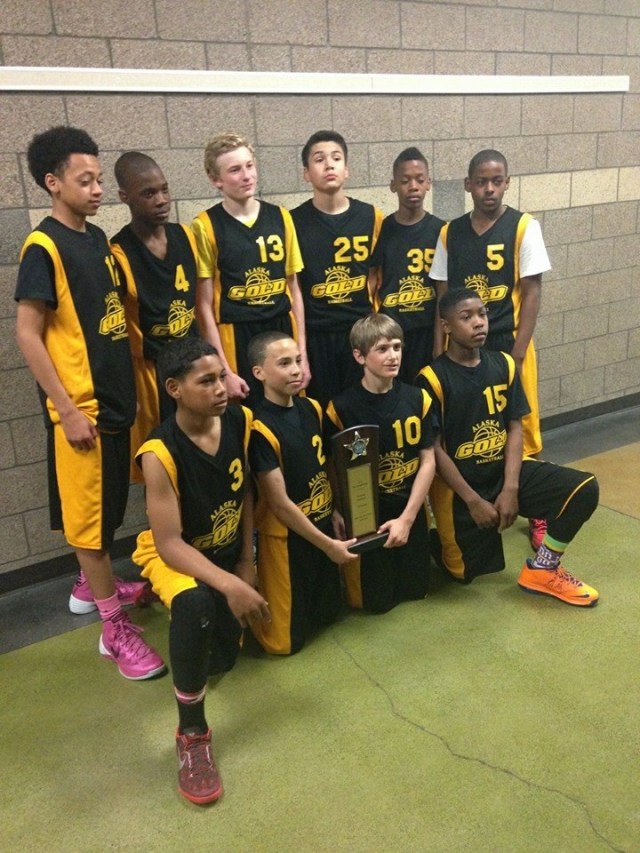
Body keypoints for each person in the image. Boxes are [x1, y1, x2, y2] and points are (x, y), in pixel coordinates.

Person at [14, 126, 165, 677]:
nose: (99, 188)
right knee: (91, 527)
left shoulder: (97, 240)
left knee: (104, 512)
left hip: (117, 401)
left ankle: (89, 585)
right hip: (83, 411)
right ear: (53, 184)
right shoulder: (43, 246)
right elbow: (28, 333)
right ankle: (113, 632)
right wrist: (68, 410)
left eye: (101, 179)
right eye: (86, 180)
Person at [132, 336, 271, 804]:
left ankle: (178, 605)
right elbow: (170, 544)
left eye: (223, 376)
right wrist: (227, 583)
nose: (223, 388)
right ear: (173, 388)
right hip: (172, 553)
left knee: (221, 662)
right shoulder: (158, 453)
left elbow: (249, 491)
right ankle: (192, 734)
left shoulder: (239, 419)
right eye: (207, 381)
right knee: (194, 604)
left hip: (224, 550)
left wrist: (245, 561)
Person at [416, 289, 599, 605]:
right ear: (445, 326)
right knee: (464, 576)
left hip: (503, 474)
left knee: (584, 489)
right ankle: (440, 541)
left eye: (482, 314)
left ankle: (543, 568)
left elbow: (515, 427)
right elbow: (434, 449)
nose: (478, 323)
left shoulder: (504, 364)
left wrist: (511, 488)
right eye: (466, 317)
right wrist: (473, 501)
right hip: (463, 488)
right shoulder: (431, 379)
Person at [429, 149, 551, 549]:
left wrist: (516, 353)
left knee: (523, 428)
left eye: (497, 181)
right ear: (468, 185)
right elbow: (442, 298)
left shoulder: (523, 226)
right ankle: (475, 500)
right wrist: (438, 351)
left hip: (507, 345)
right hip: (462, 349)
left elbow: (531, 293)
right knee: (470, 428)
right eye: (481, 181)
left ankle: (536, 511)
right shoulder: (450, 232)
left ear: (508, 182)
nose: (489, 189)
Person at [247, 330, 356, 655]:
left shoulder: (312, 408)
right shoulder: (258, 427)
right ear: (259, 373)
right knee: (283, 644)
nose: (296, 370)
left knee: (328, 615)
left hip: (322, 523)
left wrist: (335, 510)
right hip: (287, 537)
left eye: (297, 361)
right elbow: (279, 504)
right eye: (283, 363)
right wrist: (329, 547)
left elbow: (325, 466)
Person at [325, 313, 435, 613]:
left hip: (409, 510)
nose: (393, 356)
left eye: (397, 347)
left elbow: (428, 460)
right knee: (375, 604)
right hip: (366, 518)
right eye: (382, 349)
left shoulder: (418, 399)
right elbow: (333, 467)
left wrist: (408, 519)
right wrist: (337, 506)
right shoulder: (341, 408)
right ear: (359, 356)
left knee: (416, 591)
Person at [191, 132, 309, 401]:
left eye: (249, 166)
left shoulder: (281, 217)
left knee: (288, 409)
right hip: (236, 332)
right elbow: (204, 306)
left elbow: (295, 290)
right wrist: (222, 370)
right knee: (245, 414)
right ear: (215, 179)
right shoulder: (205, 226)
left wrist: (302, 355)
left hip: (280, 327)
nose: (246, 175)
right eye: (234, 170)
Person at [111, 151, 199, 480]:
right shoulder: (118, 252)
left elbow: (202, 304)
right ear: (124, 197)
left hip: (192, 365)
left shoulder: (186, 237)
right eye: (148, 194)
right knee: (162, 462)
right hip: (151, 373)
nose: (161, 200)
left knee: (201, 452)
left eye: (164, 189)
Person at [291, 130, 384, 408]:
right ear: (307, 173)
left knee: (363, 411)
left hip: (360, 333)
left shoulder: (371, 216)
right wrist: (301, 349)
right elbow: (294, 287)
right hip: (318, 335)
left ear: (347, 170)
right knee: (324, 410)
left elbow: (377, 277)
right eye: (319, 160)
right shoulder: (293, 222)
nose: (328, 165)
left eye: (336, 158)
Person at [369, 147, 445, 382]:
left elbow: (444, 290)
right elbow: (372, 284)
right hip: (391, 337)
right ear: (393, 186)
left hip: (427, 332)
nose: (413, 186)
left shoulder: (442, 231)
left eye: (419, 180)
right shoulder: (382, 230)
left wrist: (439, 340)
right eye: (405, 180)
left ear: (429, 183)